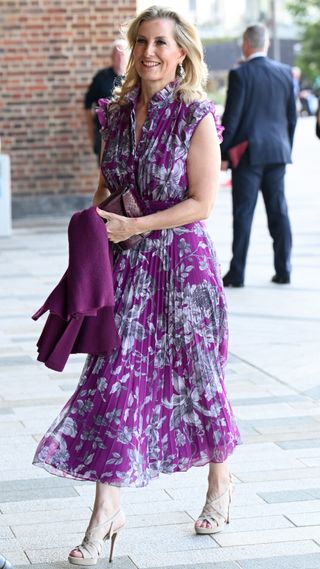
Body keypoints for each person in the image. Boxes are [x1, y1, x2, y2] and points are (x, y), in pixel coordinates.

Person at [33, 5, 241, 564]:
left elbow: (202, 202)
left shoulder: (196, 115)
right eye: (142, 41)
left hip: (184, 269)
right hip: (127, 269)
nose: (150, 51)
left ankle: (220, 483)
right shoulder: (116, 115)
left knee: (200, 376)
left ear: (181, 54)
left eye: (161, 43)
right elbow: (107, 187)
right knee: (112, 380)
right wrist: (93, 226)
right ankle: (107, 510)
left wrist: (137, 224)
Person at [221, 24, 297, 287]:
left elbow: (231, 118)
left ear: (246, 43)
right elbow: (292, 118)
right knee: (279, 211)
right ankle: (284, 268)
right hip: (277, 153)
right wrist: (286, 147)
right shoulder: (286, 73)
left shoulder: (240, 74)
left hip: (248, 155)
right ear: (265, 43)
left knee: (243, 214)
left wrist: (223, 154)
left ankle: (238, 273)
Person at [84, 39, 127, 163]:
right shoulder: (101, 77)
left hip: (126, 136)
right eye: (117, 54)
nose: (120, 58)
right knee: (104, 172)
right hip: (104, 134)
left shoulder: (134, 78)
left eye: (122, 54)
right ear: (112, 57)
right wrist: (91, 133)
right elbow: (87, 105)